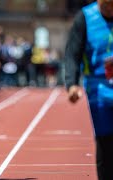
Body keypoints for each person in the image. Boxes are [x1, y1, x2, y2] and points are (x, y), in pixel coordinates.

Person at [64, 1, 113, 179]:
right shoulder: (85, 18)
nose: (109, 9)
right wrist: (72, 83)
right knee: (105, 141)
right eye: (106, 6)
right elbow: (72, 53)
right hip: (99, 88)